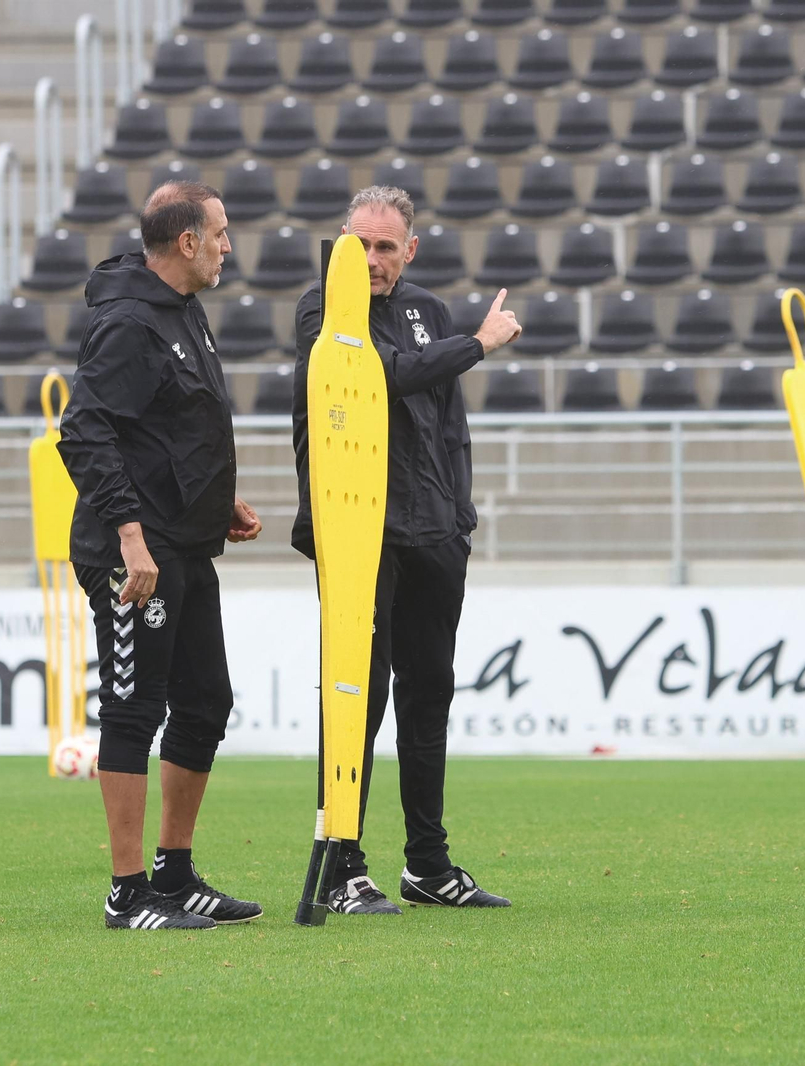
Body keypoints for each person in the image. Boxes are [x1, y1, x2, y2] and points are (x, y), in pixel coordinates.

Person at [291, 186, 523, 915]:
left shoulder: (428, 311)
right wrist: (478, 344)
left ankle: (427, 863)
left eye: (385, 246)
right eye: (359, 244)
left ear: (410, 250)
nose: (370, 259)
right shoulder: (323, 310)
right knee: (356, 695)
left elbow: (449, 424)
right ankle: (344, 866)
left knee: (429, 693)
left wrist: (460, 515)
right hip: (360, 531)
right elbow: (382, 375)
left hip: (434, 531)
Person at [60, 181, 265, 931]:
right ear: (186, 242)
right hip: (135, 553)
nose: (228, 246)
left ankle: (174, 877)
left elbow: (170, 426)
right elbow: (83, 431)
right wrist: (129, 534)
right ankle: (127, 892)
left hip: (183, 541)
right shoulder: (128, 322)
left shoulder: (182, 308)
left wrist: (218, 500)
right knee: (134, 708)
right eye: (220, 233)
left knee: (206, 701)